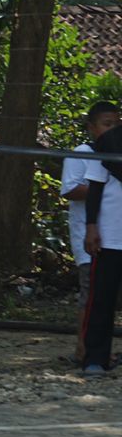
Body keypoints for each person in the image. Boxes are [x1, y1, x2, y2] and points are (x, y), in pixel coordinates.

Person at [63, 102, 119, 363]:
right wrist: (104, 185)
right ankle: (87, 352)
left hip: (115, 234)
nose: (113, 129)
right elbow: (75, 190)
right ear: (92, 127)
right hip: (99, 237)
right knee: (95, 296)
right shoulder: (89, 153)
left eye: (116, 124)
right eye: (107, 124)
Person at [81, 123, 122, 374]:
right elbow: (94, 189)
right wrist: (91, 227)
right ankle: (95, 358)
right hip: (111, 237)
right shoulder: (108, 143)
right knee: (102, 299)